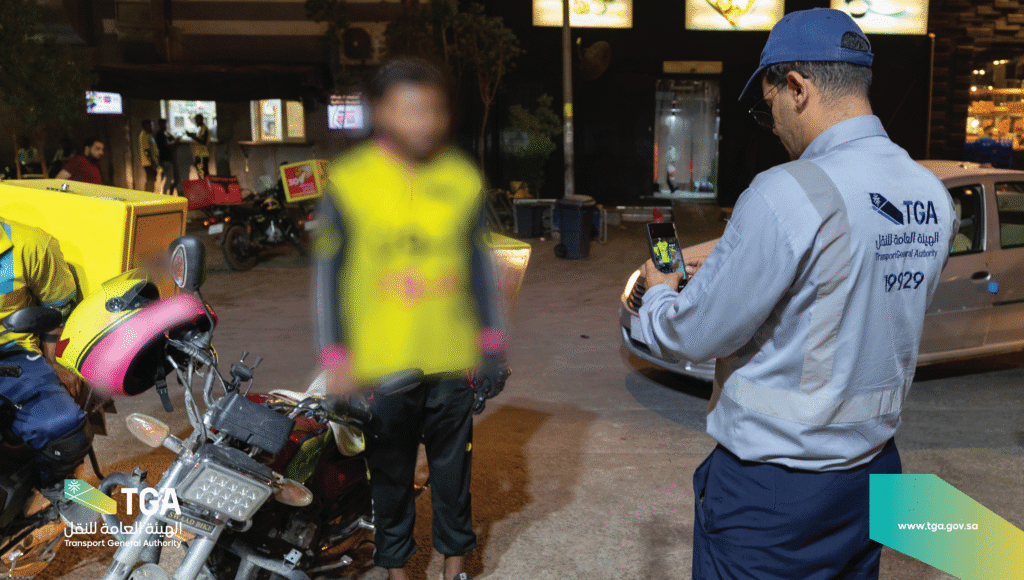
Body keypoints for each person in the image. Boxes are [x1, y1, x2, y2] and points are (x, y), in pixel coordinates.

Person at [634, 9, 959, 580]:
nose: (774, 126)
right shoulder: (932, 195)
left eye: (770, 108)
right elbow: (854, 295)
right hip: (873, 477)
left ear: (798, 88)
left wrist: (659, 296)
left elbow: (694, 334)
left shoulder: (787, 192)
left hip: (775, 495)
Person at [313, 58, 509, 580]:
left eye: (434, 109)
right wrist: (337, 356)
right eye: (410, 109)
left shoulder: (461, 178)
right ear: (381, 112)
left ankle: (454, 565)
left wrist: (492, 343)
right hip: (382, 362)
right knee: (389, 476)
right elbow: (330, 275)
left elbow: (479, 265)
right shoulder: (350, 181)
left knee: (453, 474)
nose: (425, 121)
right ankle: (397, 569)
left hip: (452, 358)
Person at [0, 219, 93, 525]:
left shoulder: (31, 244)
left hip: (13, 353)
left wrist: (56, 364)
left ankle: (58, 485)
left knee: (66, 427)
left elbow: (59, 310)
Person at [155, 119, 179, 195]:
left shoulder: (164, 134)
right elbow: (167, 145)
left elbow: (171, 140)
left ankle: (165, 194)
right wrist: (175, 142)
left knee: (169, 178)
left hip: (167, 159)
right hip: (165, 159)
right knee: (168, 179)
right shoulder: (160, 134)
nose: (165, 126)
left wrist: (171, 137)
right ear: (160, 125)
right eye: (164, 124)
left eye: (165, 124)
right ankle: (164, 195)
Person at [186, 114, 211, 179]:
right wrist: (191, 135)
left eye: (196, 120)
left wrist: (193, 137)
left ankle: (206, 185)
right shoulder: (201, 129)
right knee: (201, 174)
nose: (195, 122)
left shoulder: (204, 129)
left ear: (200, 120)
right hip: (199, 154)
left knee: (203, 174)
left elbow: (203, 141)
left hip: (202, 155)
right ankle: (205, 184)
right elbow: (199, 138)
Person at [138, 120, 159, 192]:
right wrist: (152, 162)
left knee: (152, 179)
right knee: (150, 179)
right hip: (148, 162)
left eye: (150, 125)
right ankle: (149, 194)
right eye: (148, 126)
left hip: (152, 161)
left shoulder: (149, 135)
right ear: (143, 126)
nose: (150, 127)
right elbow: (146, 151)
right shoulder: (143, 135)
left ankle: (150, 193)